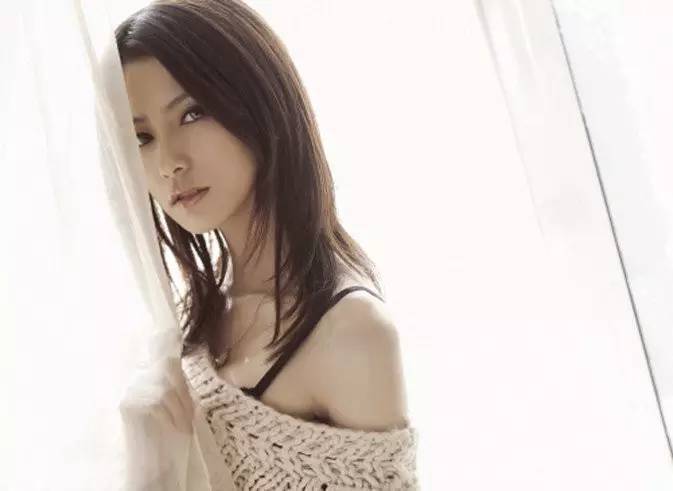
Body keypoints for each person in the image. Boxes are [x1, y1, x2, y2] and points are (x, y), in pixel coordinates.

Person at [116, 0, 419, 488]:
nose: (169, 162)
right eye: (143, 137)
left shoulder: (350, 334)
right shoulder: (189, 322)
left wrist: (159, 474)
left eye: (192, 113)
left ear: (258, 104)